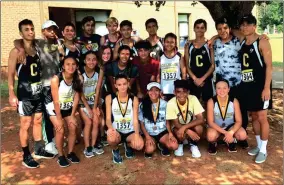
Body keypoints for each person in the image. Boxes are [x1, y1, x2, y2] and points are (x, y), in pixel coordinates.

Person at [8, 19, 54, 168]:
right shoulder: (16, 52)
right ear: (21, 33)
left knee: (38, 121)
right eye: (26, 29)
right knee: (25, 124)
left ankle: (39, 149)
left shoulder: (38, 47)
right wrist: (11, 94)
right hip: (25, 94)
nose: (30, 31)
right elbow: (10, 75)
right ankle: (26, 155)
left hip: (38, 91)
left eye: (32, 28)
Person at [14, 20, 64, 155]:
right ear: (43, 31)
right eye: (49, 29)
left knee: (55, 112)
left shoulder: (57, 43)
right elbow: (17, 41)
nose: (52, 32)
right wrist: (20, 49)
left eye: (54, 29)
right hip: (45, 85)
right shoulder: (38, 43)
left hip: (57, 84)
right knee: (47, 116)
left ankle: (54, 138)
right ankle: (48, 143)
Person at [239, 14, 272, 163]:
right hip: (248, 86)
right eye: (242, 25)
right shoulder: (242, 41)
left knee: (262, 117)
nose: (244, 27)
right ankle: (259, 146)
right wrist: (213, 39)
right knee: (253, 116)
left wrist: (266, 88)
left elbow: (269, 67)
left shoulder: (262, 42)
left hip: (261, 86)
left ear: (254, 26)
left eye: (248, 24)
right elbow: (228, 31)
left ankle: (264, 150)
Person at [49, 56, 82, 167]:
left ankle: (70, 153)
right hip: (54, 107)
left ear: (76, 66)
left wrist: (72, 115)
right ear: (63, 66)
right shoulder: (56, 79)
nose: (70, 67)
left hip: (67, 107)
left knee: (73, 126)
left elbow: (77, 97)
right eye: (67, 64)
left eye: (73, 64)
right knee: (60, 129)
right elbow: (56, 101)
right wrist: (59, 119)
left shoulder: (78, 78)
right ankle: (61, 156)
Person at [105, 74, 144, 164]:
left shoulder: (134, 99)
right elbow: (107, 119)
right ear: (115, 86)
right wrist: (111, 128)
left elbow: (135, 119)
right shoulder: (110, 98)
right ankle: (115, 150)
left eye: (124, 84)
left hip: (130, 131)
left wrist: (137, 134)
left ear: (128, 84)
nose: (122, 87)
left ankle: (128, 145)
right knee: (111, 138)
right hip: (117, 130)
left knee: (140, 145)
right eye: (119, 85)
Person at [207, 79, 247, 155]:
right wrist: (226, 133)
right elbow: (210, 122)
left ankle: (231, 140)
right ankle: (216, 142)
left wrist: (231, 132)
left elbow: (239, 121)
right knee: (211, 136)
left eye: (224, 88)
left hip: (230, 127)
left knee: (242, 135)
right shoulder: (211, 101)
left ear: (229, 89)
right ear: (215, 89)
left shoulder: (234, 101)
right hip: (216, 127)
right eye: (218, 88)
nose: (222, 90)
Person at [166, 80, 204, 158]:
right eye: (178, 92)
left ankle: (193, 144)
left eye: (184, 91)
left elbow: (200, 119)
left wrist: (185, 128)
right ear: (174, 92)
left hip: (190, 125)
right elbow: (176, 123)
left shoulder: (193, 98)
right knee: (180, 133)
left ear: (188, 92)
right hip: (178, 127)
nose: (181, 94)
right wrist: (187, 130)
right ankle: (180, 142)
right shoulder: (171, 103)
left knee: (199, 128)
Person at [139, 82, 178, 158]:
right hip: (149, 133)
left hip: (162, 132)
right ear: (147, 92)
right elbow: (142, 123)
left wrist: (170, 133)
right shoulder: (142, 105)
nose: (153, 92)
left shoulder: (165, 104)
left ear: (160, 92)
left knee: (174, 146)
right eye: (151, 90)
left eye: (156, 90)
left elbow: (167, 121)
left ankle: (162, 144)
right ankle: (154, 144)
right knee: (149, 150)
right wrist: (147, 136)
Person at [79, 51, 104, 158]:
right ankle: (87, 147)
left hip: (94, 102)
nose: (91, 62)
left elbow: (98, 90)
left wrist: (94, 108)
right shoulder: (80, 72)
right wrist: (88, 108)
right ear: (84, 61)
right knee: (88, 122)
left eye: (94, 59)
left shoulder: (100, 71)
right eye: (88, 59)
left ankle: (93, 145)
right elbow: (79, 92)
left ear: (97, 61)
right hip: (82, 103)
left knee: (96, 120)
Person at [184, 19, 214, 105]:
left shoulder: (209, 44)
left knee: (208, 105)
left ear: (205, 29)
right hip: (193, 80)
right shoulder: (188, 45)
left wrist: (202, 79)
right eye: (197, 27)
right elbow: (187, 64)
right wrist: (195, 79)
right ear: (194, 29)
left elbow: (212, 65)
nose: (200, 30)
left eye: (202, 28)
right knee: (195, 106)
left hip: (207, 79)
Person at [160, 33, 186, 101]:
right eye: (167, 42)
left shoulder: (179, 56)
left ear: (175, 43)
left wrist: (182, 88)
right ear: (164, 42)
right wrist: (159, 88)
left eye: (172, 42)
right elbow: (158, 74)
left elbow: (183, 74)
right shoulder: (160, 56)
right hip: (164, 90)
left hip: (176, 90)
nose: (169, 44)